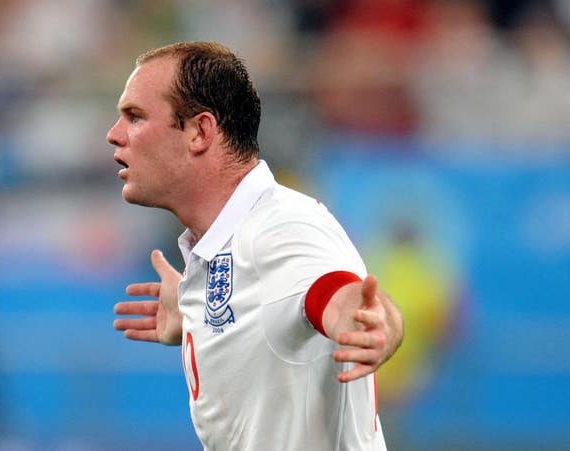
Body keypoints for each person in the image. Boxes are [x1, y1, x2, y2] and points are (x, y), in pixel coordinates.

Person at [107, 41, 403, 450]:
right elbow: (263, 305)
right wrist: (195, 313)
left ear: (200, 131)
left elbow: (340, 296)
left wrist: (371, 325)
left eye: (135, 117)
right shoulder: (225, 245)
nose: (114, 134)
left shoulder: (283, 227)